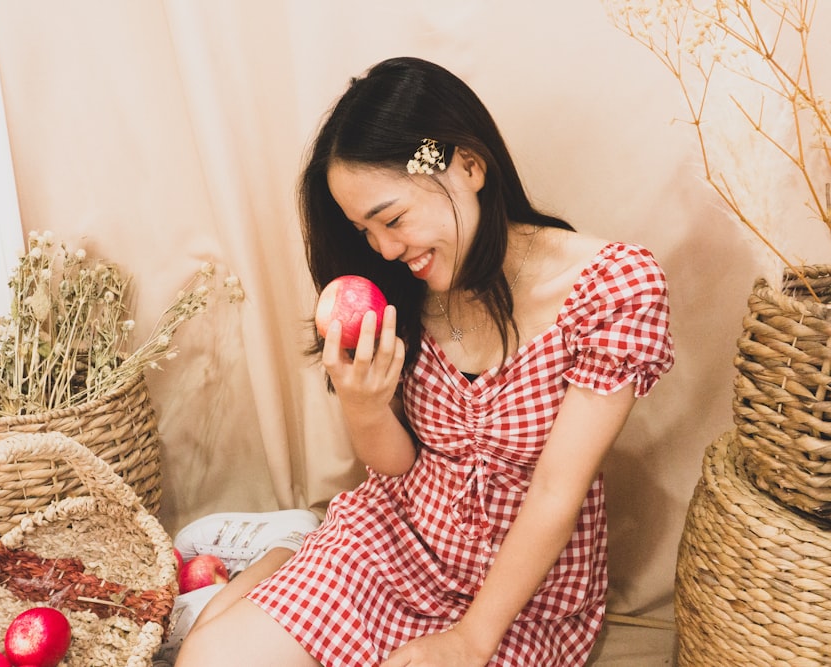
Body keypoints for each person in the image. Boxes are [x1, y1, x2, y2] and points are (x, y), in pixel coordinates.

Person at [168, 56, 675, 666]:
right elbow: (397, 464)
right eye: (364, 231)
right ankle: (296, 549)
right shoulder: (400, 286)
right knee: (210, 661)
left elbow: (554, 491)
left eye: (393, 219)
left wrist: (470, 638)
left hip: (521, 594)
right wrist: (362, 404)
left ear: (469, 164)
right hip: (394, 541)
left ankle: (282, 558)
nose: (384, 249)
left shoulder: (614, 288)